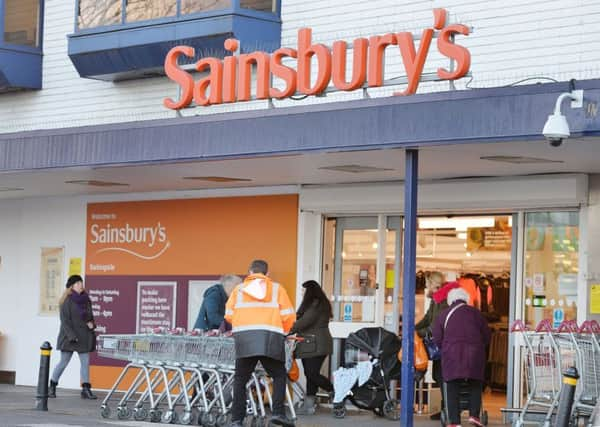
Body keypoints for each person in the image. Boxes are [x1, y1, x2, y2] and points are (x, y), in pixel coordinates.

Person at [225, 260, 296, 427]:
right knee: (279, 375)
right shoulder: (277, 289)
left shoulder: (238, 290)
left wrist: (243, 326)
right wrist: (283, 332)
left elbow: (228, 315)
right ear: (267, 273)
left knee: (241, 379)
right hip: (270, 338)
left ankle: (237, 419)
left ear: (250, 272)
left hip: (245, 339)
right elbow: (289, 316)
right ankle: (278, 413)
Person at [432, 287, 491, 427]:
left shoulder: (443, 314)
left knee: (452, 385)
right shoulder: (477, 314)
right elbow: (487, 336)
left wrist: (445, 347)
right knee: (475, 383)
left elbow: (437, 337)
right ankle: (474, 416)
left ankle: (454, 421)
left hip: (452, 354)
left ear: (450, 300)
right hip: (475, 353)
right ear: (466, 299)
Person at [415, 273, 460, 420]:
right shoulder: (437, 299)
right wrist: (414, 328)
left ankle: (448, 409)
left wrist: (419, 332)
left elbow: (436, 325)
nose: (426, 288)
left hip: (446, 344)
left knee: (443, 376)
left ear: (434, 285)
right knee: (438, 376)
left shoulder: (444, 300)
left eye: (428, 285)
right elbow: (428, 318)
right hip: (439, 344)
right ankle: (445, 408)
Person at [49, 274, 97, 399]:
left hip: (83, 336)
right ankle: (52, 386)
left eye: (81, 283)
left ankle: (86, 389)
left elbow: (90, 316)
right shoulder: (66, 301)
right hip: (69, 337)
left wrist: (92, 324)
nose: (81, 285)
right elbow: (65, 321)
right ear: (71, 287)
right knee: (63, 362)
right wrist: (72, 336)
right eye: (78, 283)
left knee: (85, 363)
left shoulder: (86, 299)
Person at [289, 280, 333, 415]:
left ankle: (334, 390)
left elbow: (304, 322)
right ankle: (309, 405)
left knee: (311, 373)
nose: (302, 293)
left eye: (304, 290)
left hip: (315, 345)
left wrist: (287, 330)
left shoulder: (315, 304)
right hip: (311, 344)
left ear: (309, 291)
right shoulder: (318, 303)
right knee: (310, 374)